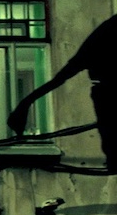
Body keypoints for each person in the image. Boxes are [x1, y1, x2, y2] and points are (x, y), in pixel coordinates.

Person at [7, 14, 117, 170]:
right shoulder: (108, 31)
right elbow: (67, 72)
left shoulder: (106, 31)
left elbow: (65, 74)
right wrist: (26, 103)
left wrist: (27, 102)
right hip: (106, 92)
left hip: (105, 92)